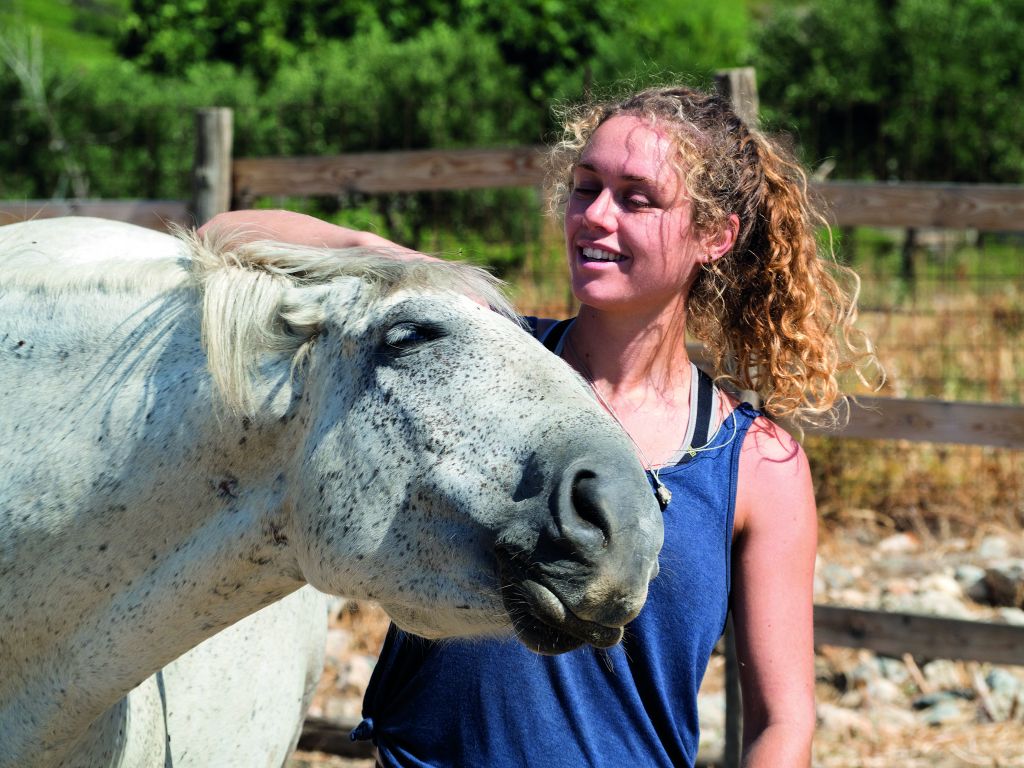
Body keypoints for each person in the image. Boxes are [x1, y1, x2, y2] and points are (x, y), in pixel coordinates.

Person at [203, 84, 876, 767]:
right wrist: (406, 265)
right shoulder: (481, 366)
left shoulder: (757, 463)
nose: (595, 217)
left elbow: (782, 721)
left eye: (637, 198)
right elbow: (225, 234)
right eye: (586, 188)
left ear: (715, 235)